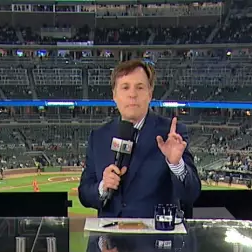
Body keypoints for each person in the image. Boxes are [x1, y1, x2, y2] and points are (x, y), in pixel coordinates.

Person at [78, 59, 201, 218]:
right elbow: (84, 194)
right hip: (110, 232)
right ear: (114, 95)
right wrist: (102, 187)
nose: (132, 94)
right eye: (125, 87)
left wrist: (176, 164)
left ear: (150, 94)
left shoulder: (171, 134)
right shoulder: (99, 137)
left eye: (140, 87)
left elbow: (191, 194)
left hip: (156, 232)